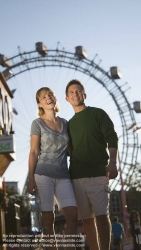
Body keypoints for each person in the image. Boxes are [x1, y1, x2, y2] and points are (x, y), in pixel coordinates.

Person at [65, 79, 118, 250]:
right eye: (71, 92)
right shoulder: (69, 124)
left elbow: (112, 137)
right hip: (76, 176)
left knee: (102, 216)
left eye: (78, 91)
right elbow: (69, 149)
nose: (75, 94)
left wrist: (113, 163)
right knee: (86, 219)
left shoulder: (98, 114)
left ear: (84, 94)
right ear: (67, 99)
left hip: (97, 173)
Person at [27, 87, 78, 250]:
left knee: (72, 215)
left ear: (55, 98)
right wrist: (31, 179)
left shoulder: (65, 123)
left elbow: (71, 150)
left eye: (50, 95)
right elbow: (34, 151)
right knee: (48, 218)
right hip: (43, 175)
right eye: (43, 97)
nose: (48, 98)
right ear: (39, 103)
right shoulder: (37, 124)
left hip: (63, 175)